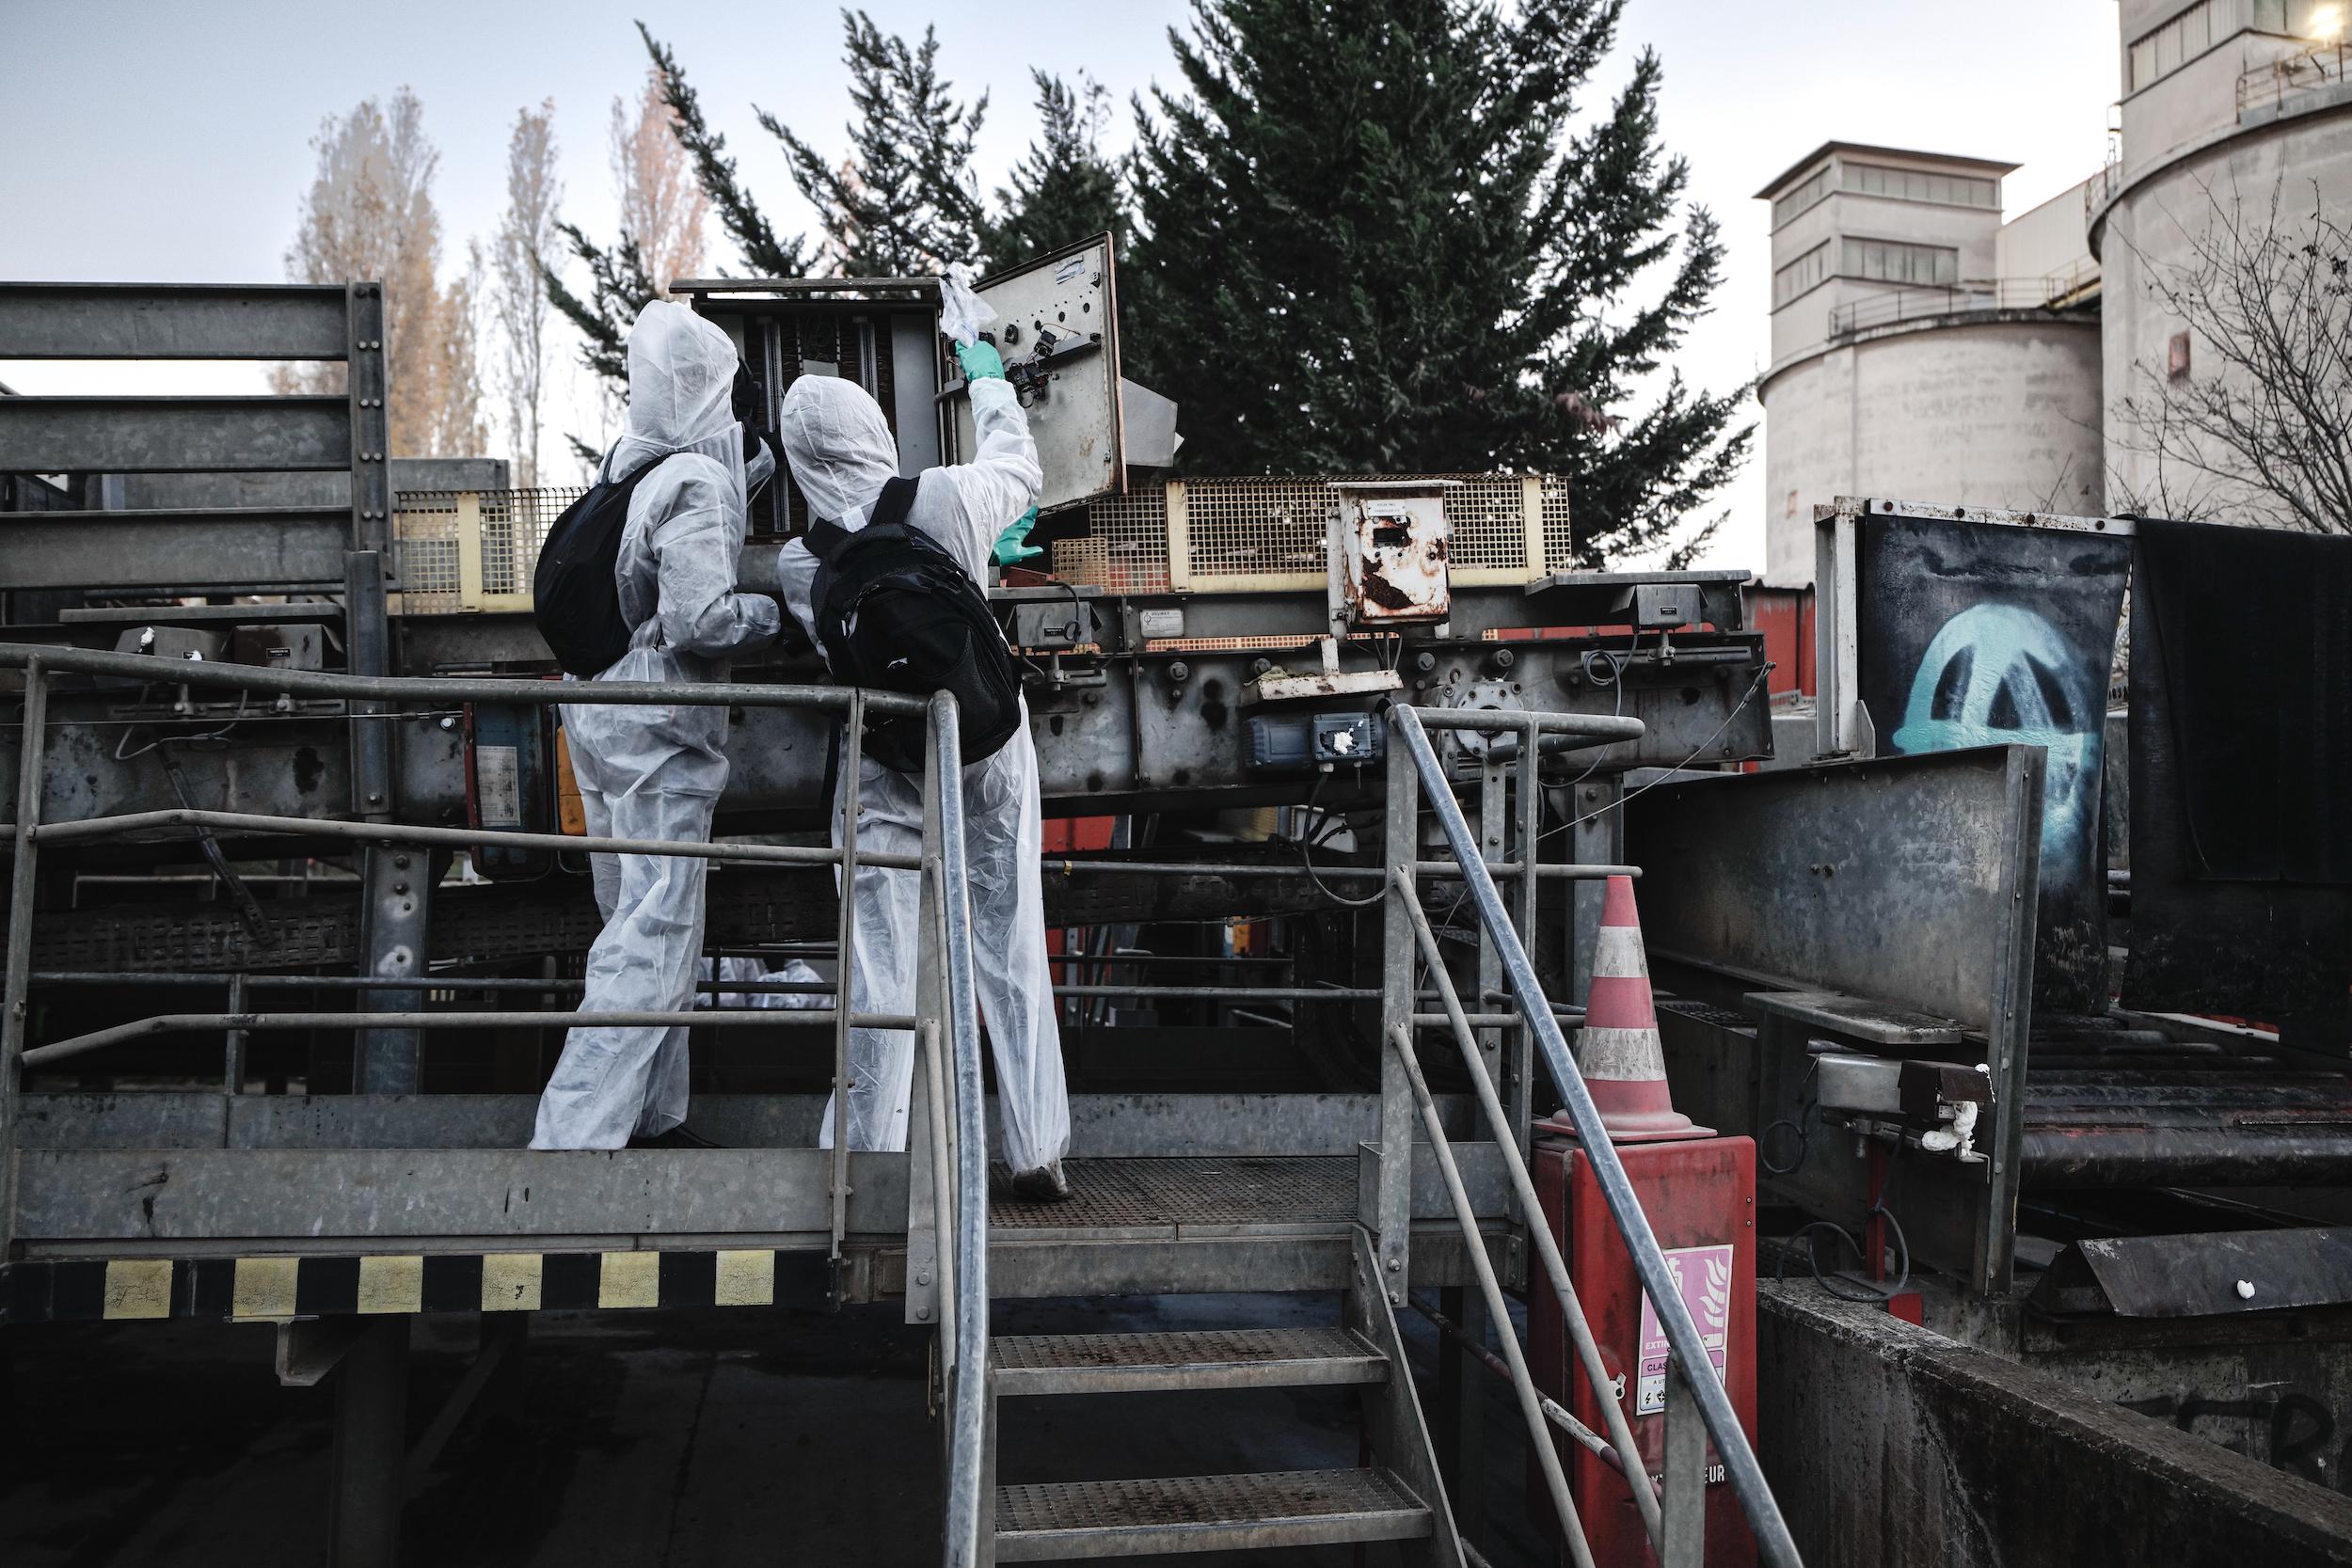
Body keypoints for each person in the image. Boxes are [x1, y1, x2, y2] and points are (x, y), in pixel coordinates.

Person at [772, 348, 1073, 1197]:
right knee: (1010, 939)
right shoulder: (945, 494)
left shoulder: (803, 560)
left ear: (798, 456)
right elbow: (1022, 464)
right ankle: (1036, 1146)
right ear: (873, 425)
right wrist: (986, 376)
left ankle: (870, 1162)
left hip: (884, 757)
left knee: (880, 968)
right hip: (984, 740)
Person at [531, 301, 781, 1150]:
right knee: (654, 936)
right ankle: (572, 1143)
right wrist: (772, 611)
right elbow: (702, 621)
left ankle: (652, 1116)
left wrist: (748, 472)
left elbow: (667, 529)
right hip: (656, 738)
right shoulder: (696, 484)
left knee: (640, 926)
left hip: (597, 721)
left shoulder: (631, 465)